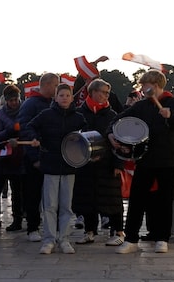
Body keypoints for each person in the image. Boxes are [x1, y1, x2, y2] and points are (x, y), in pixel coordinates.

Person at [110, 69, 174, 254]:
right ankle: (131, 239)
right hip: (145, 159)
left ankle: (162, 239)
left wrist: (172, 116)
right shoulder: (142, 106)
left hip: (167, 159)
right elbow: (118, 119)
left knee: (164, 201)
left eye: (144, 85)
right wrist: (111, 134)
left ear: (155, 86)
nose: (142, 89)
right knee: (137, 201)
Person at [27, 83, 87, 255]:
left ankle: (65, 239)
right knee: (49, 206)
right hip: (51, 165)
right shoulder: (46, 115)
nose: (64, 98)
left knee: (67, 206)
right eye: (61, 95)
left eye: (67, 95)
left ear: (72, 97)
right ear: (55, 97)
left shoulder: (78, 117)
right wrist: (34, 138)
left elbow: (88, 134)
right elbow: (30, 126)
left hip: (70, 165)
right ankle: (49, 240)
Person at [72, 78, 125, 247]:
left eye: (107, 93)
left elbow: (120, 141)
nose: (105, 96)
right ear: (92, 92)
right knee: (87, 198)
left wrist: (118, 164)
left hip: (107, 164)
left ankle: (118, 232)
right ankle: (89, 231)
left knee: (112, 199)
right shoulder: (79, 113)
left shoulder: (112, 115)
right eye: (103, 92)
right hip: (86, 164)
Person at [17, 72, 60, 242]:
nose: (57, 89)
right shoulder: (30, 104)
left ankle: (53, 228)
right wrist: (34, 157)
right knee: (33, 193)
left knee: (52, 195)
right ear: (48, 85)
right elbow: (26, 130)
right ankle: (33, 227)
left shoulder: (54, 104)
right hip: (35, 157)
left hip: (53, 155)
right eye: (56, 85)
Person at [0, 84, 25, 232]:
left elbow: (29, 129)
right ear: (6, 100)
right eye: (11, 100)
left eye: (16, 99)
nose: (14, 103)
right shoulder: (0, 114)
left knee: (18, 189)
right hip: (5, 154)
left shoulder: (25, 110)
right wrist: (11, 130)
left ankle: (18, 219)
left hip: (21, 153)